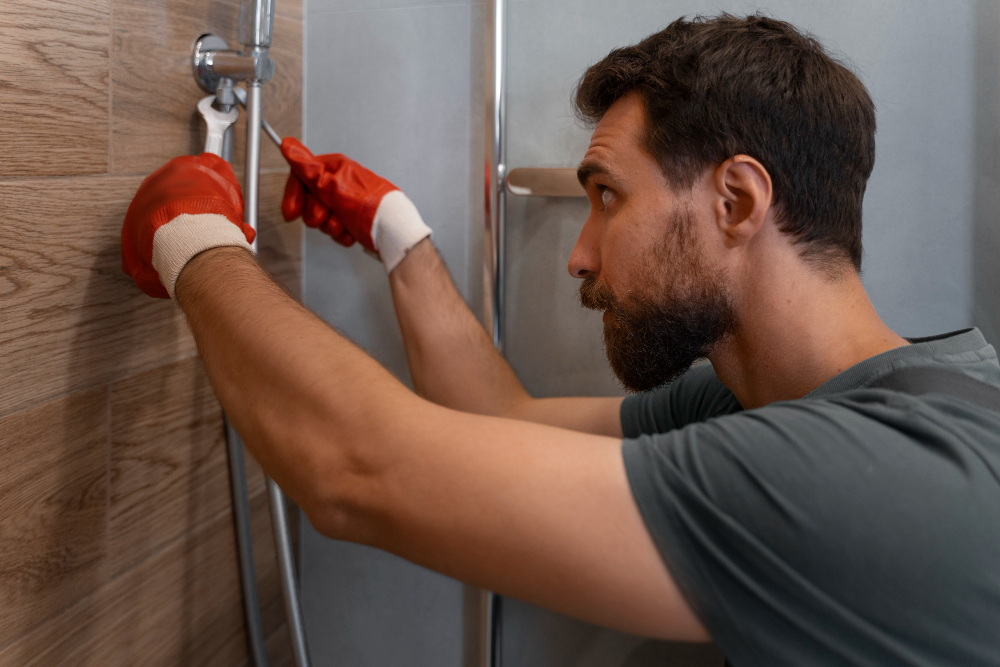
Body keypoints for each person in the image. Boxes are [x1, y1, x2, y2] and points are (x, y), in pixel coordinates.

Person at [120, 14, 1000, 666]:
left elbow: (357, 471)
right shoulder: (788, 395)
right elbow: (505, 416)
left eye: (607, 195)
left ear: (736, 202)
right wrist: (397, 232)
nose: (579, 254)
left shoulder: (878, 474)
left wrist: (193, 237)